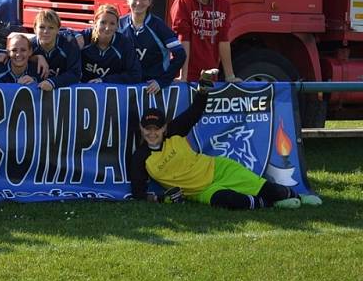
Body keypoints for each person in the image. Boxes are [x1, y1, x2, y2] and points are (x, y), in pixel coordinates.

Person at [130, 71, 322, 209]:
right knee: (229, 201)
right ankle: (270, 204)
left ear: (164, 128)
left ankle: (297, 195)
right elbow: (139, 193)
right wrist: (161, 199)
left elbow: (194, 113)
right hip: (200, 192)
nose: (152, 133)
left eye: (157, 128)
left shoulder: (173, 132)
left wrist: (203, 89)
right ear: (141, 129)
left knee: (266, 188)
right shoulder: (141, 157)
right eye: (148, 129)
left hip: (218, 169)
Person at [170, 0, 240, 82]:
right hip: (186, 71)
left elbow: (223, 39)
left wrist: (230, 76)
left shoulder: (223, 3)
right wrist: (183, 76)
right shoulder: (183, 1)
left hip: (210, 72)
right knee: (188, 101)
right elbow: (183, 38)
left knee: (205, 101)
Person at [119, 0, 186, 94]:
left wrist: (163, 81)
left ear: (150, 2)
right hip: (126, 86)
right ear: (127, 0)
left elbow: (180, 55)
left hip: (153, 89)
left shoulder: (158, 26)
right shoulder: (119, 24)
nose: (138, 2)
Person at [80, 4, 142, 83]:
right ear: (95, 22)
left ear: (117, 26)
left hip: (111, 93)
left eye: (112, 23)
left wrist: (104, 80)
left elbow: (135, 75)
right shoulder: (84, 37)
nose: (107, 28)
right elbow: (63, 34)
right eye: (103, 22)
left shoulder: (124, 43)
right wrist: (75, 35)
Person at [30, 9, 81, 91]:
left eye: (51, 28)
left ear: (58, 29)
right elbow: (15, 55)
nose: (46, 31)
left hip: (63, 95)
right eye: (42, 27)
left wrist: (52, 82)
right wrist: (36, 57)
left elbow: (76, 73)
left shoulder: (69, 44)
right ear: (35, 28)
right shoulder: (30, 45)